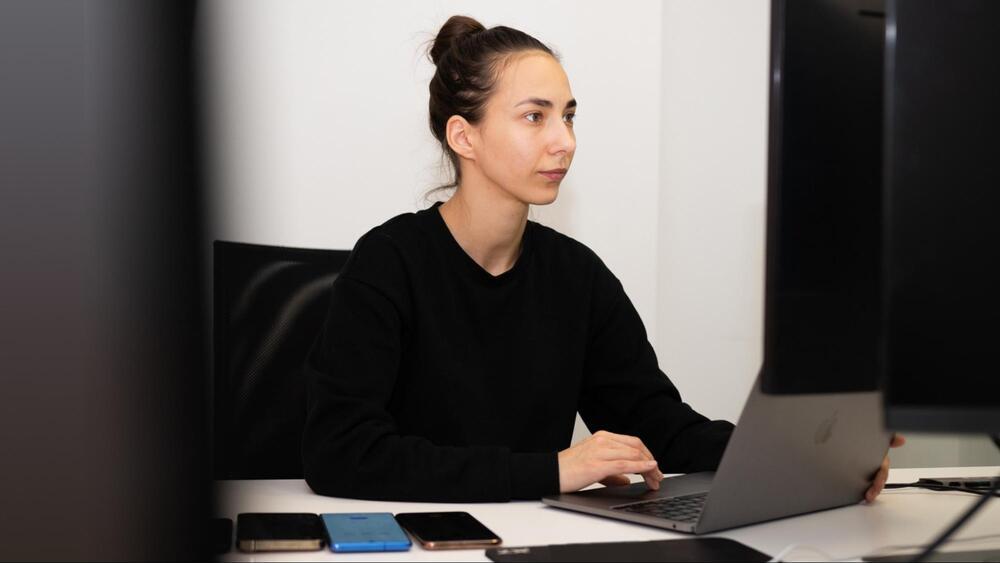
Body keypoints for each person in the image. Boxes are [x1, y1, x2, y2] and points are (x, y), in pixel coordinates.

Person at [301, 15, 903, 503]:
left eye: (567, 116)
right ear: (465, 137)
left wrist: (805, 459)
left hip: (538, 538)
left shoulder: (576, 275)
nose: (564, 140)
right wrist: (552, 470)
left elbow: (660, 425)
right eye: (535, 117)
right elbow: (342, 452)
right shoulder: (389, 262)